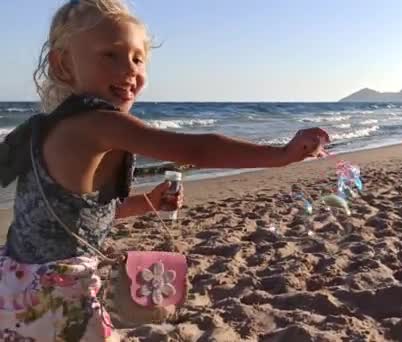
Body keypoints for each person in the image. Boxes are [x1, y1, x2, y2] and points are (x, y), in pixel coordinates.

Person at [0, 0, 329, 340]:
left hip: (16, 283)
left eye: (137, 58)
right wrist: (283, 155)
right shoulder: (97, 122)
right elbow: (197, 149)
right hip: (56, 293)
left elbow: (76, 219)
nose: (129, 69)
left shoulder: (47, 127)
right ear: (64, 63)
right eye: (110, 55)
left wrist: (148, 203)